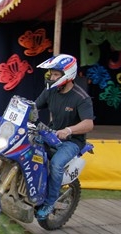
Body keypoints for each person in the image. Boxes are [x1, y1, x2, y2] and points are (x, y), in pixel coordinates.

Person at [33, 54, 95, 220]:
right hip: (50, 134)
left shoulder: (81, 98)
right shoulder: (50, 91)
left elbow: (89, 124)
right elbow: (33, 106)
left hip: (72, 142)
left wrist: (68, 130)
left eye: (56, 74)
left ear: (67, 75)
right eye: (51, 74)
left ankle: (50, 203)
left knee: (56, 164)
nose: (52, 77)